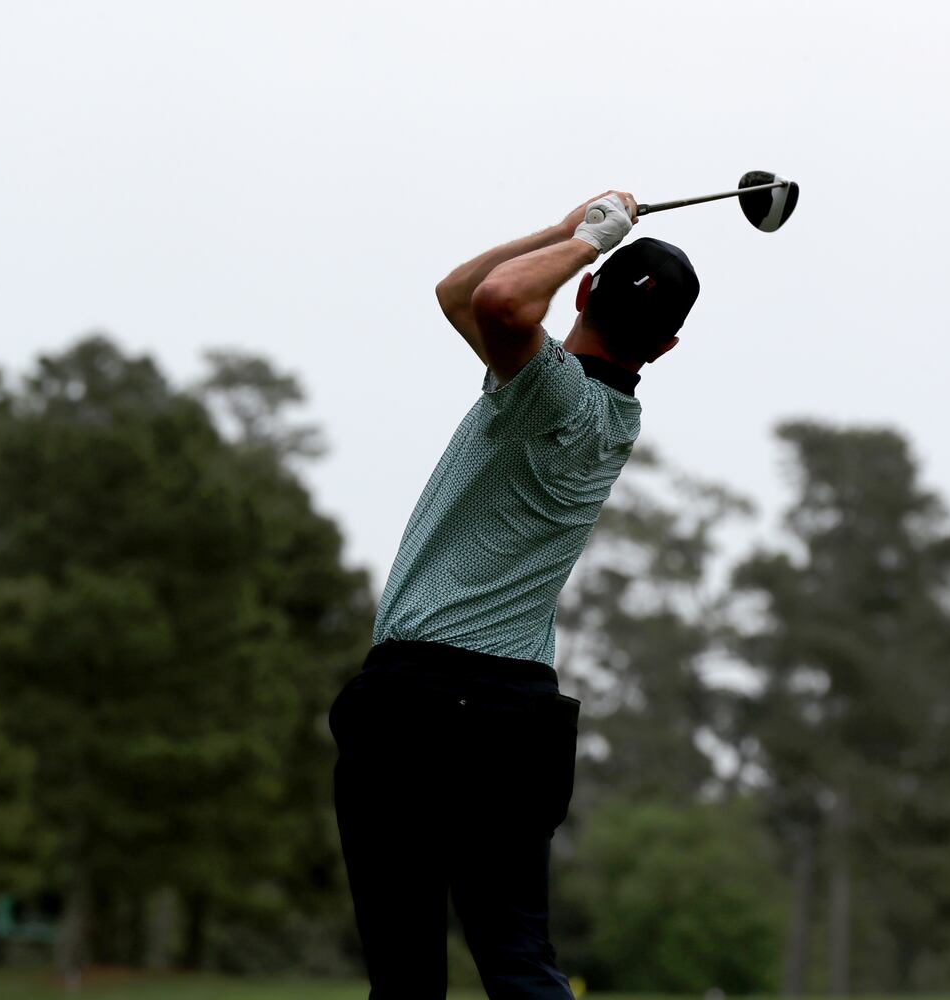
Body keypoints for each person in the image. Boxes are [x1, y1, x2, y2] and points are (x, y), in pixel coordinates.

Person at [328, 190, 699, 999]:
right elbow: (462, 296)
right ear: (666, 348)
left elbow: (492, 295)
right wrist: (571, 235)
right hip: (519, 716)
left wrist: (589, 236)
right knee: (519, 962)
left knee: (407, 975)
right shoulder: (605, 412)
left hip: (421, 701)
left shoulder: (549, 389)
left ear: (581, 294)